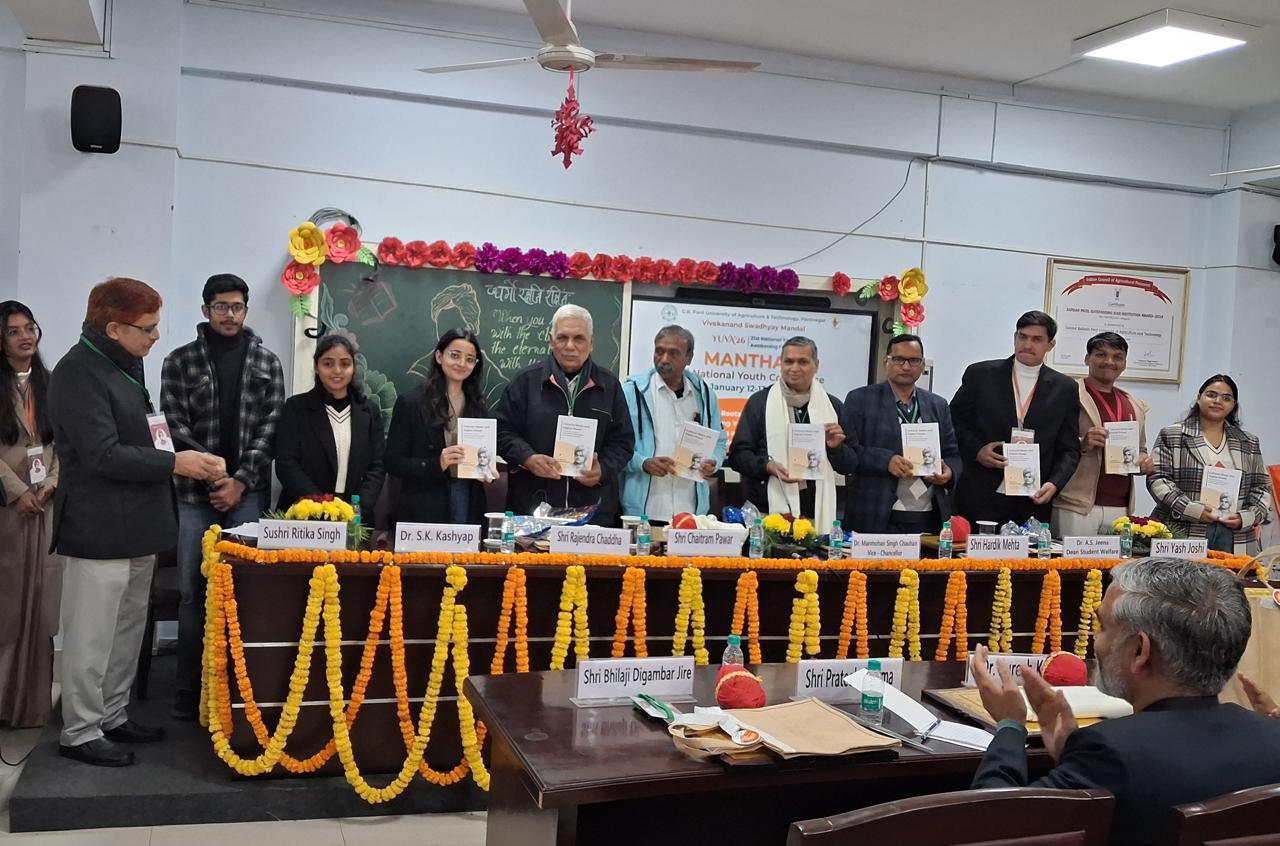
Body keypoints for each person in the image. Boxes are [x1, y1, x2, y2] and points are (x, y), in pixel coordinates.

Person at [970, 557, 1280, 846]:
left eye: (1102, 627)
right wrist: (1068, 756)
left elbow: (989, 828)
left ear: (1139, 651)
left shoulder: (1110, 753)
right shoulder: (1272, 738)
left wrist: (1010, 726)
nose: (1096, 643)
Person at [48, 278, 225, 766]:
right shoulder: (76, 373)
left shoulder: (124, 364)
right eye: (147, 329)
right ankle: (80, 730)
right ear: (113, 328)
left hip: (139, 524)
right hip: (97, 528)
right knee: (91, 635)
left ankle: (111, 714)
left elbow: (148, 435)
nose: (155, 337)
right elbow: (102, 455)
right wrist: (176, 464)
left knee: (126, 631)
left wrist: (191, 455)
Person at [160, 274, 285, 720]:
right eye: (220, 307)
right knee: (193, 592)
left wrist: (239, 481)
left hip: (247, 496)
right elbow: (174, 427)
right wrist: (215, 480)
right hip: (194, 497)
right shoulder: (179, 361)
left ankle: (238, 688)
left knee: (246, 591)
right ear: (205, 310)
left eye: (236, 307)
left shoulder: (268, 362)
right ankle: (188, 687)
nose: (229, 315)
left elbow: (271, 428)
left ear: (246, 310)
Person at [495, 304, 634, 526]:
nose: (570, 346)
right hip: (533, 510)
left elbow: (623, 442)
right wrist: (528, 458)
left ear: (591, 343)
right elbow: (502, 432)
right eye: (562, 338)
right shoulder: (525, 382)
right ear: (551, 341)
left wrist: (603, 469)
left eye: (579, 338)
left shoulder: (610, 386)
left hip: (594, 513)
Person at [949, 310, 1079, 527]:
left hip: (1033, 497)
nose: (1027, 344)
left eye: (1037, 339)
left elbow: (1070, 449)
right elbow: (954, 420)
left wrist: (1055, 484)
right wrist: (977, 450)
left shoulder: (1065, 388)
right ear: (1015, 337)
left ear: (1050, 345)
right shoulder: (981, 374)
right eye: (1022, 336)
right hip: (981, 491)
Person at [728, 336, 858, 534]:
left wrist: (836, 448)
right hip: (767, 513)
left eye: (803, 362)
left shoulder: (833, 407)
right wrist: (767, 466)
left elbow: (850, 464)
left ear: (816, 365)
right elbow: (738, 456)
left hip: (816, 515)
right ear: (781, 364)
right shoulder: (760, 402)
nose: (794, 368)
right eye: (789, 361)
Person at [0, 302, 60, 728]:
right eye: (13, 331)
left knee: (41, 606)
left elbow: (63, 443)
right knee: (8, 606)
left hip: (45, 505)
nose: (25, 337)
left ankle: (30, 707)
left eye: (29, 328)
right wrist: (17, 491)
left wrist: (52, 482)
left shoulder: (50, 383)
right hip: (9, 507)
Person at [840, 334, 960, 534]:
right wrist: (885, 461)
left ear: (922, 365)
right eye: (898, 359)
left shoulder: (938, 404)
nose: (906, 366)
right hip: (876, 514)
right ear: (886, 362)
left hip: (929, 516)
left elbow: (953, 454)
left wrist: (949, 473)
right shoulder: (860, 399)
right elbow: (849, 454)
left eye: (913, 360)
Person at [1147, 374, 1273, 556]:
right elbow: (1158, 479)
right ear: (1199, 398)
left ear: (1233, 405)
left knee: (1231, 575)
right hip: (1184, 529)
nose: (1217, 401)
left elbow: (1261, 488)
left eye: (1226, 398)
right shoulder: (1173, 435)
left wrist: (1246, 517)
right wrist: (1191, 509)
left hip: (1234, 535)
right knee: (1182, 575)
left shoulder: (1248, 442)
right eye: (1211, 394)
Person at [385, 329, 491, 529]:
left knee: (467, 550)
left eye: (470, 359)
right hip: (425, 505)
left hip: (468, 500)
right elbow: (393, 462)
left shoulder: (478, 405)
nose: (462, 363)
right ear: (439, 356)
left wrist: (487, 468)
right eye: (455, 355)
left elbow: (483, 454)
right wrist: (436, 464)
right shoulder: (411, 403)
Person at [621, 325, 727, 523]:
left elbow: (719, 442)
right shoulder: (632, 393)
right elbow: (616, 447)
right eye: (659, 351)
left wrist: (713, 462)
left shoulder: (705, 396)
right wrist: (643, 463)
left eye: (673, 353)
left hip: (691, 512)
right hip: (644, 511)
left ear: (689, 357)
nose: (664, 359)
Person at [1052, 332, 1152, 538]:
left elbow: (1141, 449)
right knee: (1073, 560)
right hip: (1075, 504)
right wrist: (1082, 443)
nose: (1109, 362)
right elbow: (1048, 442)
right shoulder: (1068, 395)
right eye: (1101, 354)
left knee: (1116, 561)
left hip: (1121, 507)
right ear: (1087, 358)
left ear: (1124, 364)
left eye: (1117, 357)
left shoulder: (1133, 404)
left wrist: (1143, 462)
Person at [273, 334, 385, 516]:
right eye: (328, 364)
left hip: (354, 514)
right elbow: (287, 464)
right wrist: (322, 506)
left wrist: (358, 508)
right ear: (316, 367)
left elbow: (377, 465)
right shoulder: (296, 408)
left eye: (345, 364)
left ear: (354, 368)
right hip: (305, 512)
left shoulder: (369, 411)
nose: (337, 371)